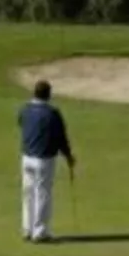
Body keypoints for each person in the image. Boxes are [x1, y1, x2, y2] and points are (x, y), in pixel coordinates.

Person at [18, 80, 75, 243]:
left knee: (28, 193)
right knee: (42, 193)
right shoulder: (52, 113)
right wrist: (68, 156)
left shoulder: (25, 109)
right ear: (48, 95)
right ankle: (40, 232)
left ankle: (27, 229)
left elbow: (21, 124)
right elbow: (61, 138)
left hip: (26, 157)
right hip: (44, 159)